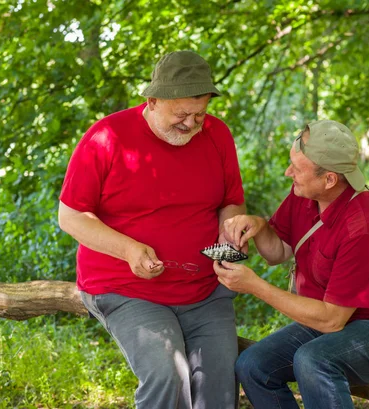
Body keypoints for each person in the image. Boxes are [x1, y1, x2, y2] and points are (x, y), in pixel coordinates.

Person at [58, 50, 245, 409]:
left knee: (219, 386)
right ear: (152, 100)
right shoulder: (106, 137)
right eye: (181, 115)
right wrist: (128, 249)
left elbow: (231, 202)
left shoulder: (218, 135)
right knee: (167, 376)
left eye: (199, 115)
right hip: (128, 289)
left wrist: (231, 231)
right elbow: (72, 216)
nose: (191, 124)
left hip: (204, 290)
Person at [214, 120, 369, 409]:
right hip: (340, 318)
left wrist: (254, 286)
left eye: (297, 169)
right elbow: (277, 251)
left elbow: (331, 319)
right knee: (254, 365)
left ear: (330, 179)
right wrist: (257, 226)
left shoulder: (364, 225)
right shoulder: (305, 193)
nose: (288, 173)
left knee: (314, 360)